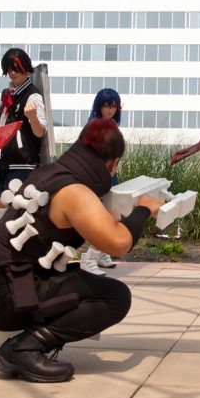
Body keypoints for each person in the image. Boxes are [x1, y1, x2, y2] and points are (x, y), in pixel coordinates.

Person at [0, 119, 162, 383]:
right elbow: (118, 243)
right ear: (113, 163)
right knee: (115, 297)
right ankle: (24, 349)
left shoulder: (50, 173)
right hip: (0, 296)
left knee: (85, 283)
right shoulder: (74, 192)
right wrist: (144, 208)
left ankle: (28, 341)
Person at [0, 48, 47, 194]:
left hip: (23, 166)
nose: (12, 73)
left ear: (25, 69)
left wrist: (33, 118)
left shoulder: (33, 95)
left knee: (15, 210)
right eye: (9, 69)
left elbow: (40, 132)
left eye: (16, 69)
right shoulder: (6, 93)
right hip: (3, 163)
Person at [80, 88, 123, 275]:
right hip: (97, 175)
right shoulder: (94, 125)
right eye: (106, 106)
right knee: (103, 217)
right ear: (99, 106)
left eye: (113, 106)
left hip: (110, 174)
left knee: (112, 213)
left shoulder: (111, 124)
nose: (109, 110)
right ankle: (89, 257)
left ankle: (101, 253)